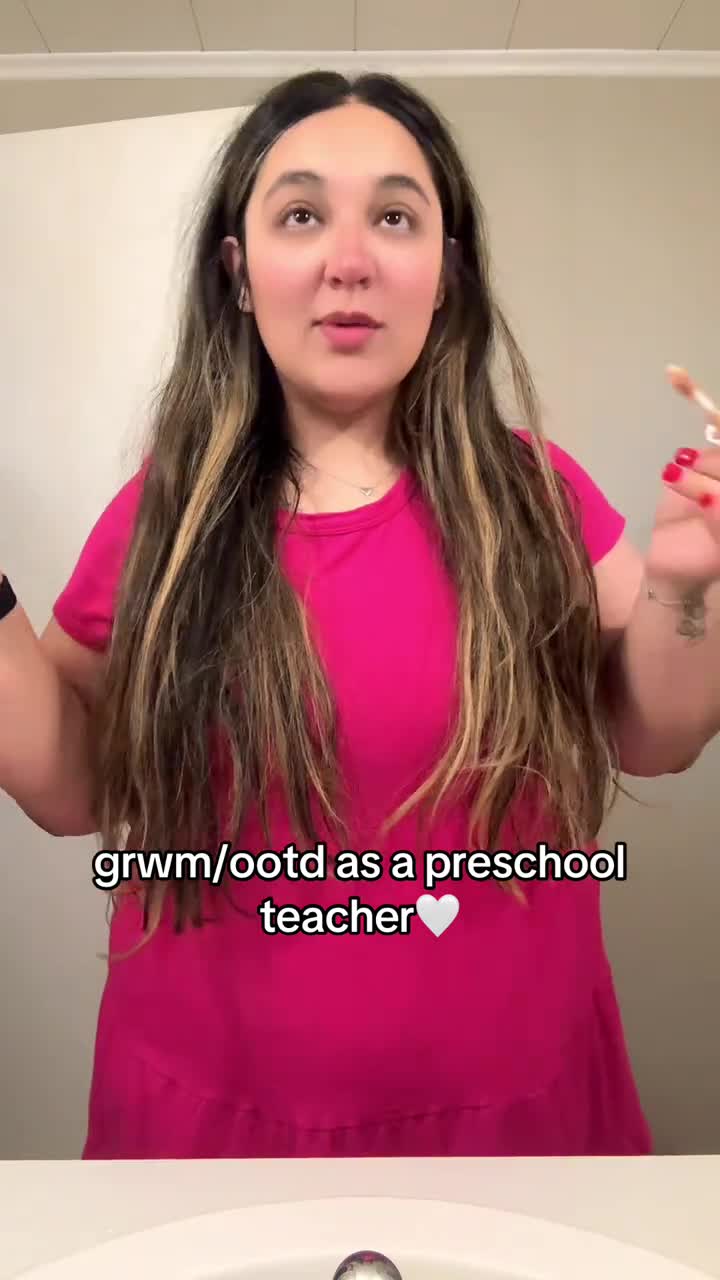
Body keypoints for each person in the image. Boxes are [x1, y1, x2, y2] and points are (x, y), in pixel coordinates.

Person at [3, 69, 720, 1160]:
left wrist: (688, 585)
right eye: (301, 215)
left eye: (394, 217)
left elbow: (656, 738)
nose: (350, 261)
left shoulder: (538, 493)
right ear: (239, 273)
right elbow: (70, 792)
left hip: (513, 1121)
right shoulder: (165, 514)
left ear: (447, 274)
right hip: (210, 1127)